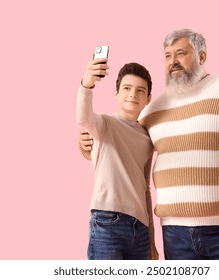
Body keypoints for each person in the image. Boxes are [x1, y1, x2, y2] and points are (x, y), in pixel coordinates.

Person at [78, 29, 219, 260]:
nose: (173, 61)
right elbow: (124, 141)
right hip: (175, 235)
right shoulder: (153, 110)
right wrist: (87, 142)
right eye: (167, 55)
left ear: (201, 57)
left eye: (181, 53)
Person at [76, 56, 158, 260]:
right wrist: (87, 84)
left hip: (139, 228)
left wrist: (151, 239)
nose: (133, 94)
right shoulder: (104, 124)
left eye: (141, 90)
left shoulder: (148, 139)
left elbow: (145, 188)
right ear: (116, 93)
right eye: (127, 88)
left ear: (148, 98)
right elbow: (83, 118)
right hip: (106, 221)